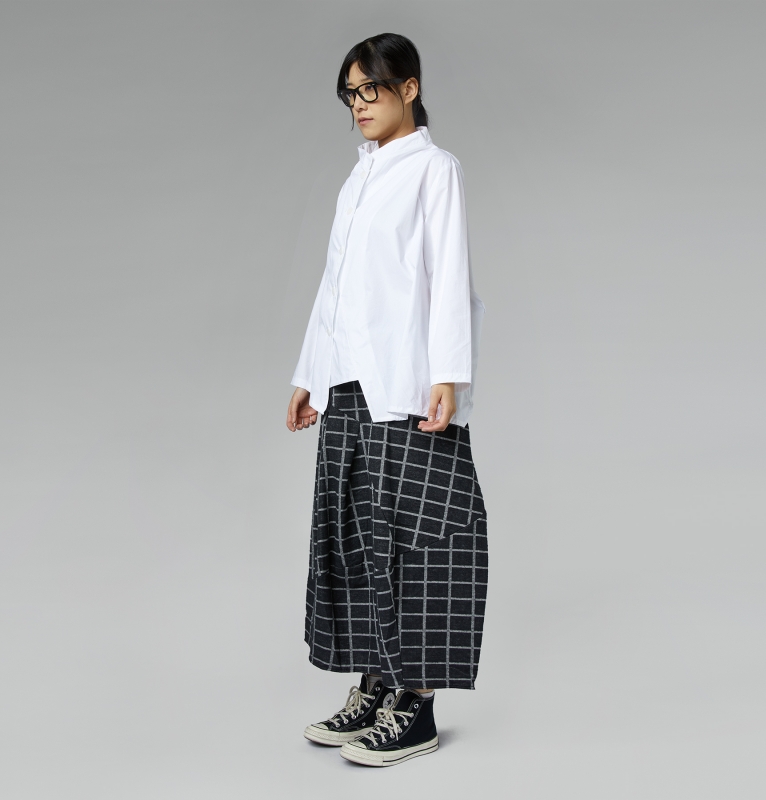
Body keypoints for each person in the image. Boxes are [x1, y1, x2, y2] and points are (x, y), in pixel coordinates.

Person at [286, 32, 488, 768]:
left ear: (409, 87)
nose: (359, 105)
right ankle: (376, 685)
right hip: (348, 385)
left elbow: (449, 274)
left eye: (370, 89)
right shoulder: (358, 178)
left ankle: (416, 706)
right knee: (355, 536)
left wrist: (448, 376)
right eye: (350, 94)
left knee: (420, 538)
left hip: (406, 384)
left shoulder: (435, 169)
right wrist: (308, 374)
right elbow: (334, 287)